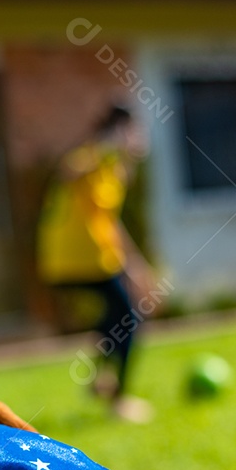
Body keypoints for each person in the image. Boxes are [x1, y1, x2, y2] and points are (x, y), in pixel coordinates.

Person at [37, 104, 154, 423]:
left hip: (101, 258)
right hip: (71, 259)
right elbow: (67, 173)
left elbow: (109, 221)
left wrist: (136, 266)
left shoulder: (115, 170)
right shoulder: (89, 156)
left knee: (119, 317)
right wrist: (108, 146)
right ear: (118, 131)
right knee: (127, 319)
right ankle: (119, 399)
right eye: (133, 131)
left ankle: (100, 380)